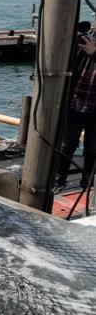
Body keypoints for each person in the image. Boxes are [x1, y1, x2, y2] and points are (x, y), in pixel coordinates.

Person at [55, 22, 96, 192]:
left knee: (92, 148)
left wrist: (94, 53)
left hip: (94, 108)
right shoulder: (85, 39)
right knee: (67, 145)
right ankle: (59, 181)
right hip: (75, 102)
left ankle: (87, 183)